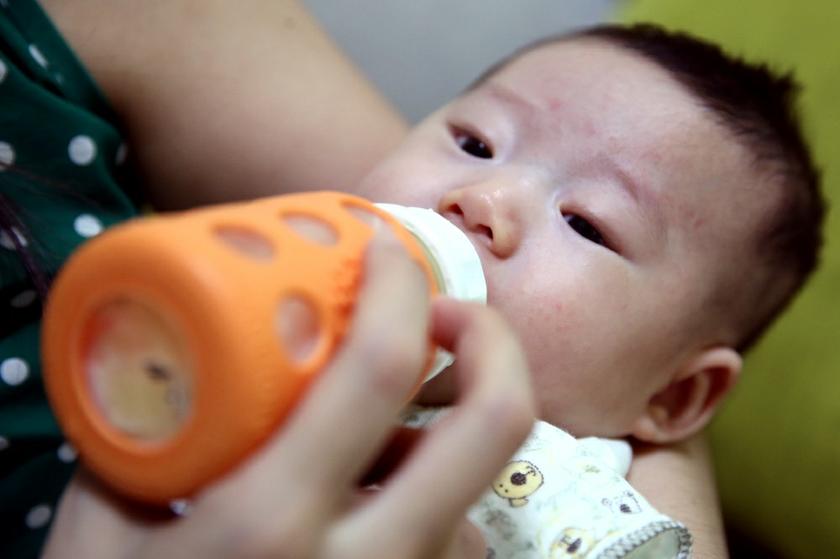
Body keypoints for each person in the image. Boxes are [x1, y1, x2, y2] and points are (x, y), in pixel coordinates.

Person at [1, 1, 815, 557]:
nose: (483, 199)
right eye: (472, 141)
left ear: (672, 400)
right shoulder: (274, 314)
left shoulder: (584, 501)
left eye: (587, 223)